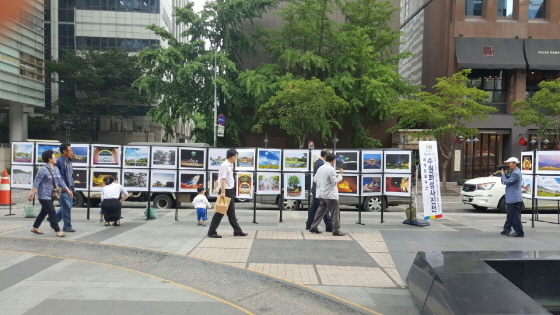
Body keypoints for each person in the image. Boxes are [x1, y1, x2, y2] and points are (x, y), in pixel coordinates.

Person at [28, 150, 73, 237]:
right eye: (54, 157)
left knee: (43, 212)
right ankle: (57, 230)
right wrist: (32, 194)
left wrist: (67, 189)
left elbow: (59, 180)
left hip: (52, 194)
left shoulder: (55, 168)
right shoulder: (42, 169)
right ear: (49, 159)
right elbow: (36, 182)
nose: (56, 158)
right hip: (43, 195)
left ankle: (35, 227)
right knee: (52, 212)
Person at [207, 149, 248, 238]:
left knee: (231, 213)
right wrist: (222, 192)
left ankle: (237, 231)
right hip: (225, 191)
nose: (236, 159)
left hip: (229, 190)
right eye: (236, 157)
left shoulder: (229, 165)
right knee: (220, 212)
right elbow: (222, 179)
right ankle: (211, 232)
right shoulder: (225, 165)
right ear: (232, 156)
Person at [309, 153, 345, 236]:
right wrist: (340, 175)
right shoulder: (331, 169)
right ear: (333, 160)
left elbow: (315, 179)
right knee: (335, 212)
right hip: (330, 194)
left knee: (321, 210)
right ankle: (336, 229)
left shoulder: (320, 168)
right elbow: (334, 181)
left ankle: (314, 226)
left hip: (321, 193)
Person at [306, 149, 333, 231]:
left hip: (315, 188)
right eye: (328, 155)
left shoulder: (318, 162)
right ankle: (329, 226)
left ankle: (309, 224)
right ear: (325, 155)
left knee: (314, 208)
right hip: (318, 189)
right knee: (323, 208)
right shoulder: (321, 164)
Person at [500, 157, 524, 237]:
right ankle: (506, 229)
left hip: (514, 198)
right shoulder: (514, 172)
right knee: (510, 215)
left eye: (509, 163)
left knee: (514, 216)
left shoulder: (516, 173)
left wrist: (503, 174)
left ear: (514, 164)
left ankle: (519, 232)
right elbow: (507, 179)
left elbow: (507, 182)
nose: (508, 165)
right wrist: (505, 173)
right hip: (512, 197)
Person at [55, 143, 75, 232]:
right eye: (70, 150)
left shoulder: (69, 160)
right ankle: (67, 226)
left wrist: (72, 188)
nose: (72, 152)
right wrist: (63, 187)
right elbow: (58, 177)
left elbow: (71, 175)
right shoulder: (59, 161)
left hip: (70, 187)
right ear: (64, 151)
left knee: (68, 206)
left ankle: (54, 219)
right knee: (66, 207)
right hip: (63, 188)